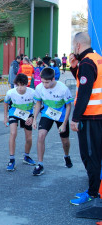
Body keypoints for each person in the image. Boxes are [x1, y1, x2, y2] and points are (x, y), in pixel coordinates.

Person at [69, 32, 102, 205]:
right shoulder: (97, 58)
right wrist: (75, 67)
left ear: (78, 46)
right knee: (94, 154)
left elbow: (84, 93)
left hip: (91, 117)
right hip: (98, 115)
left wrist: (75, 118)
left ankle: (92, 193)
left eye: (74, 45)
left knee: (90, 156)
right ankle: (94, 189)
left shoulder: (87, 63)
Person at [32, 67, 74, 176]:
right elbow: (38, 103)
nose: (45, 85)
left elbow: (69, 107)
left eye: (47, 82)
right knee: (41, 136)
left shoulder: (63, 89)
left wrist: (64, 124)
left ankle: (66, 156)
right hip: (47, 113)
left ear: (53, 79)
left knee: (65, 141)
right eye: (43, 82)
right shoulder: (39, 88)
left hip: (61, 115)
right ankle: (40, 164)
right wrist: (34, 118)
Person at [4, 73, 36, 171]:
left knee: (29, 138)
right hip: (14, 112)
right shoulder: (11, 92)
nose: (20, 88)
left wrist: (33, 118)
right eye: (18, 85)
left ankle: (26, 156)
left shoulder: (33, 93)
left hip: (27, 114)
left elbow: (38, 105)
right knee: (13, 133)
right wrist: (5, 117)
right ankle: (12, 159)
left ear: (27, 84)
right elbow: (5, 103)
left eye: (23, 85)